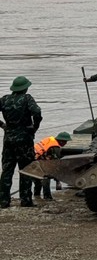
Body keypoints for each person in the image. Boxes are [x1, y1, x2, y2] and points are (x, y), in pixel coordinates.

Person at [0, 76, 42, 208]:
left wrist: (3, 125)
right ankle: (25, 200)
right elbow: (37, 112)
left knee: (7, 170)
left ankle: (3, 200)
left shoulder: (4, 99)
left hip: (8, 138)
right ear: (25, 88)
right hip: (24, 138)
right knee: (26, 169)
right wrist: (34, 127)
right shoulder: (27, 98)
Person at [33, 131, 71, 200]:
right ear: (61, 141)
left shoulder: (50, 139)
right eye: (65, 142)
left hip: (34, 158)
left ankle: (36, 195)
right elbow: (55, 162)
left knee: (38, 179)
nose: (66, 143)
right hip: (39, 160)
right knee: (46, 177)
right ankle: (47, 197)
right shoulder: (55, 147)